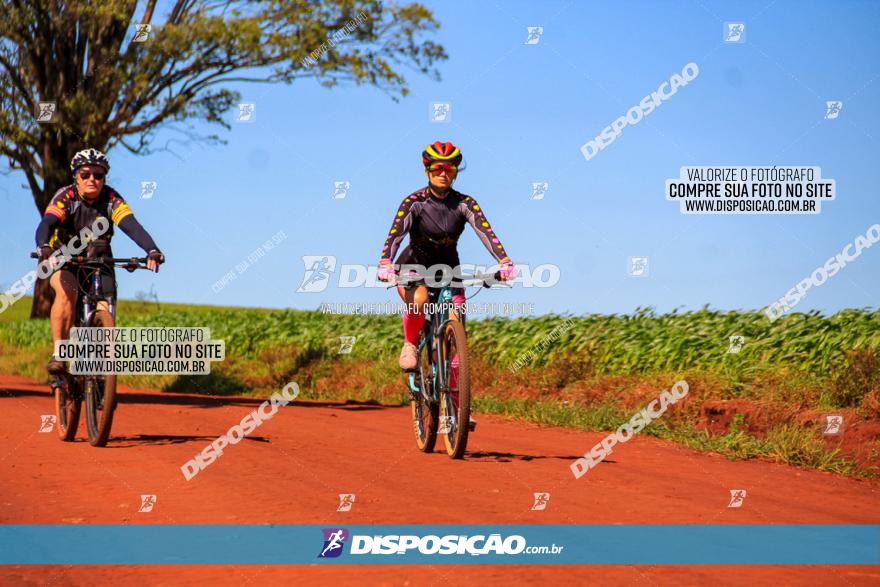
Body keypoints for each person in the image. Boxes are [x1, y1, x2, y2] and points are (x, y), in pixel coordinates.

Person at [377, 141, 516, 371]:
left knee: (457, 312)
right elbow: (396, 234)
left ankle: (453, 383)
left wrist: (504, 261)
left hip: (449, 268)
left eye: (449, 169)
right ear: (427, 170)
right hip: (414, 265)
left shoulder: (465, 203)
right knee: (420, 300)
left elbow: (486, 232)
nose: (443, 174)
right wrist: (385, 262)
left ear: (455, 173)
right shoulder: (414, 203)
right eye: (437, 168)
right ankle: (410, 344)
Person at [34, 148, 164, 374]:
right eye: (85, 175)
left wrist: (152, 250)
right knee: (67, 294)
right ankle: (59, 354)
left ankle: (102, 368)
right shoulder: (67, 197)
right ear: (76, 176)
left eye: (98, 175)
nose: (92, 179)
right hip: (64, 258)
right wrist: (44, 247)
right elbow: (47, 223)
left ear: (104, 177)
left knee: (106, 307)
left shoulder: (111, 199)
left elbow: (131, 226)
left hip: (99, 257)